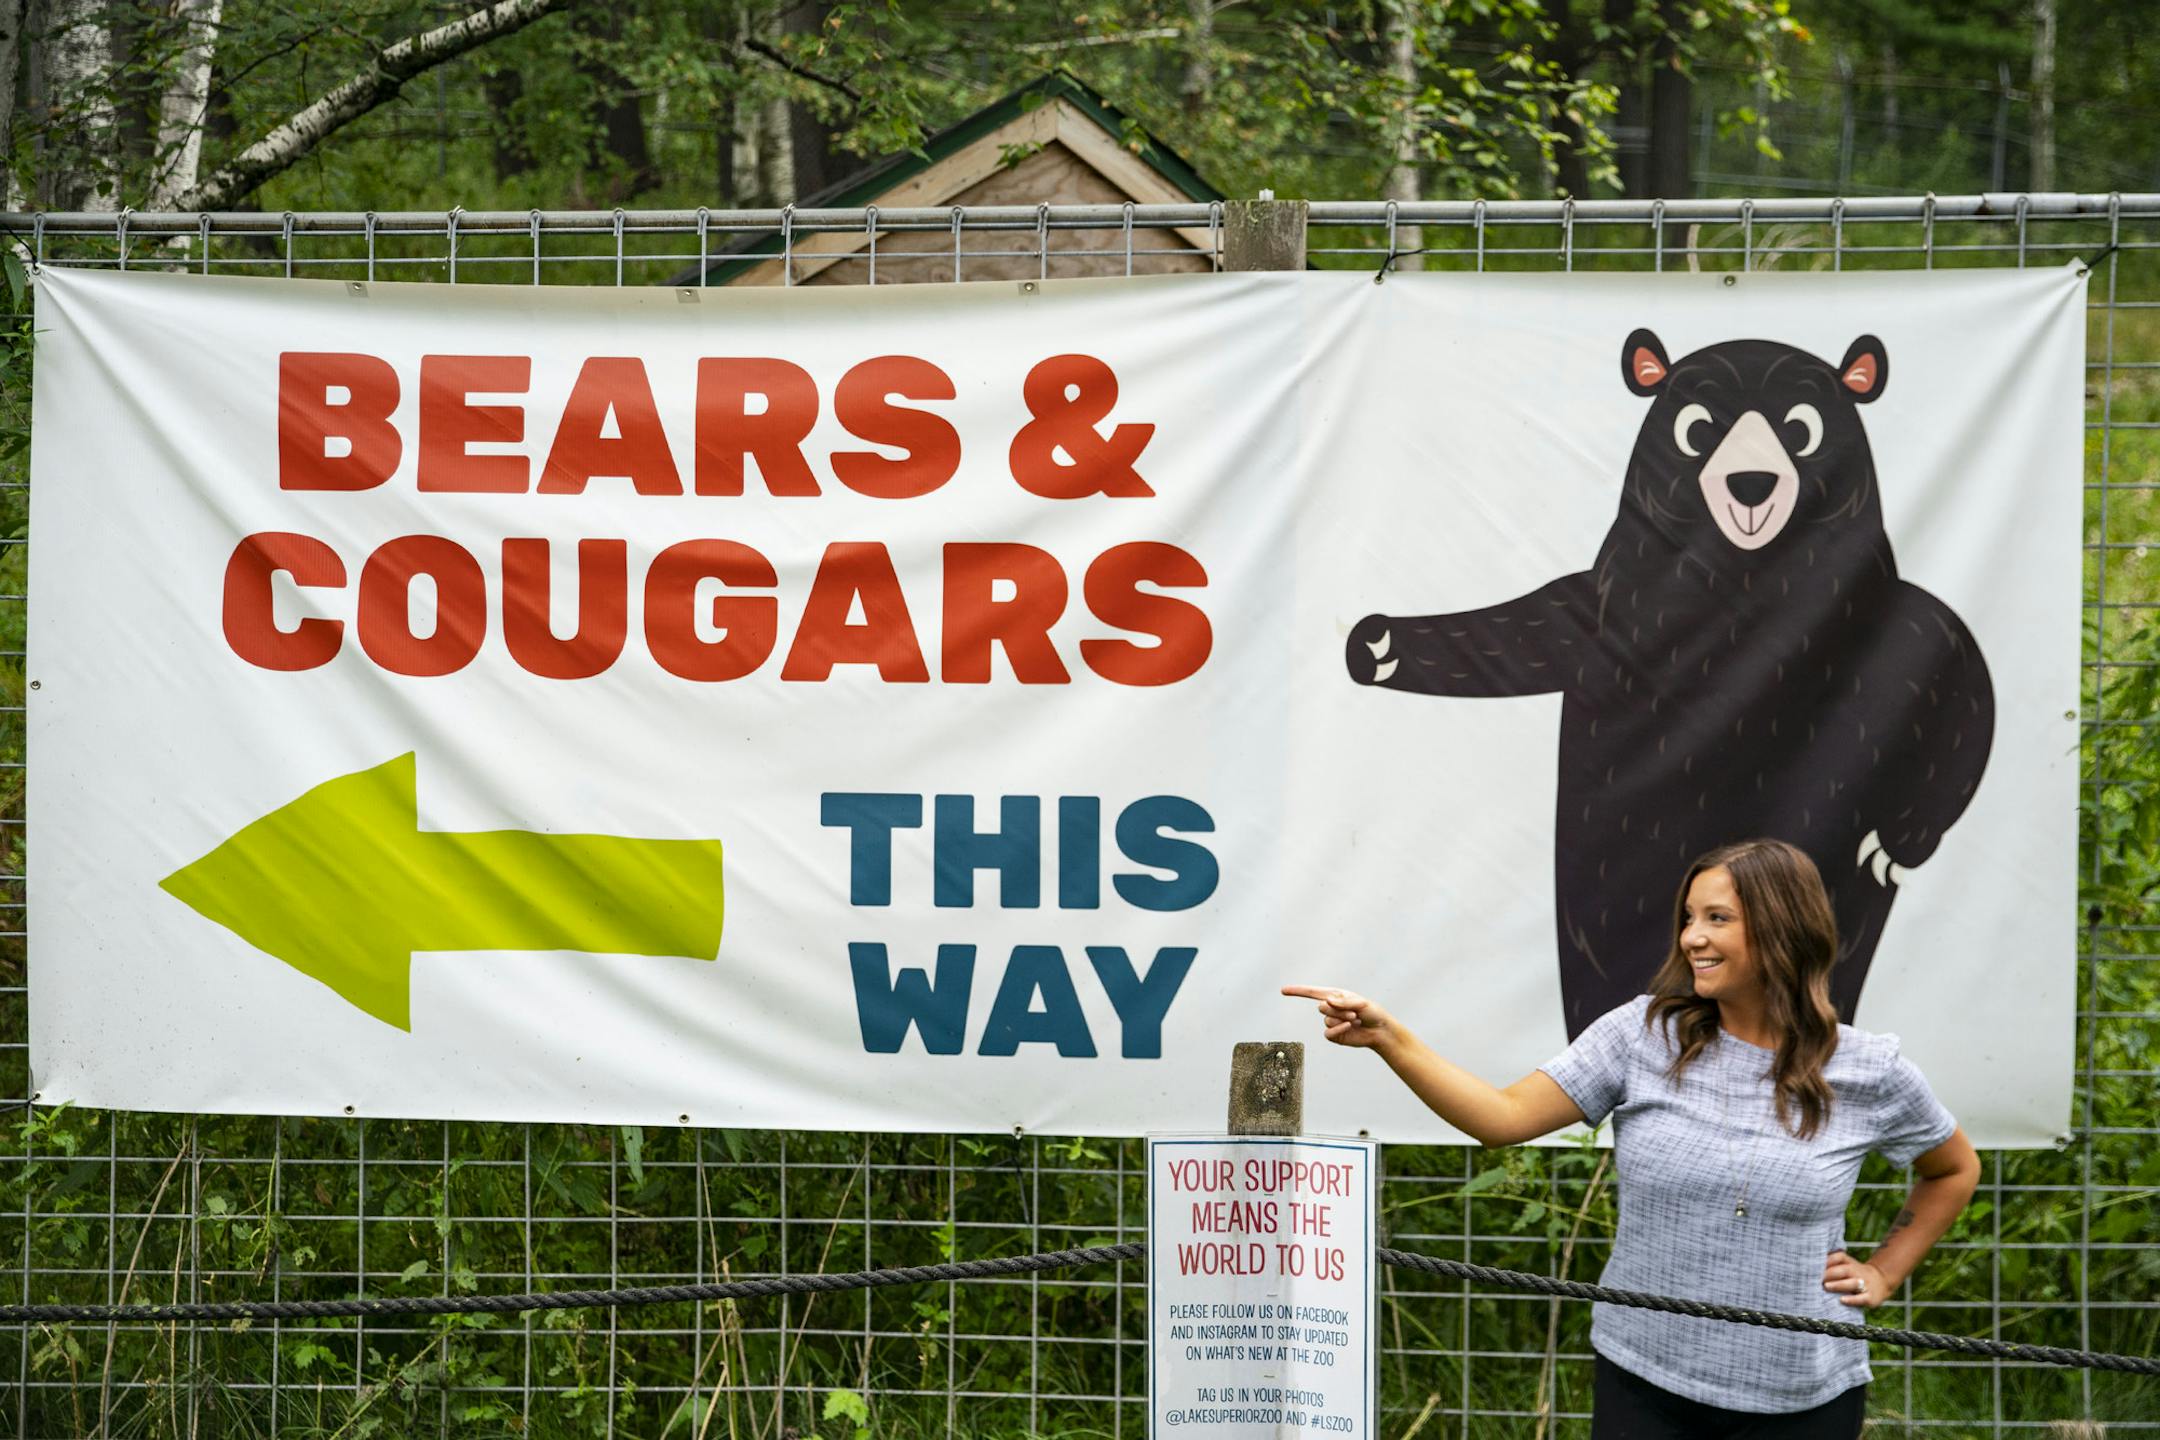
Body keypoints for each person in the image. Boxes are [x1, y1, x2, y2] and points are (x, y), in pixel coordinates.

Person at [1284, 837, 1981, 1439]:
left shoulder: (1868, 1069)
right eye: (1689, 919)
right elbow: (1500, 1118)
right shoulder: (1643, 1034)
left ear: (1782, 929)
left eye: (1718, 919)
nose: (1691, 938)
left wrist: (1884, 1272)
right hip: (1645, 1378)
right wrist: (1390, 1040)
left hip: (1803, 1396)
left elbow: (1951, 1169)